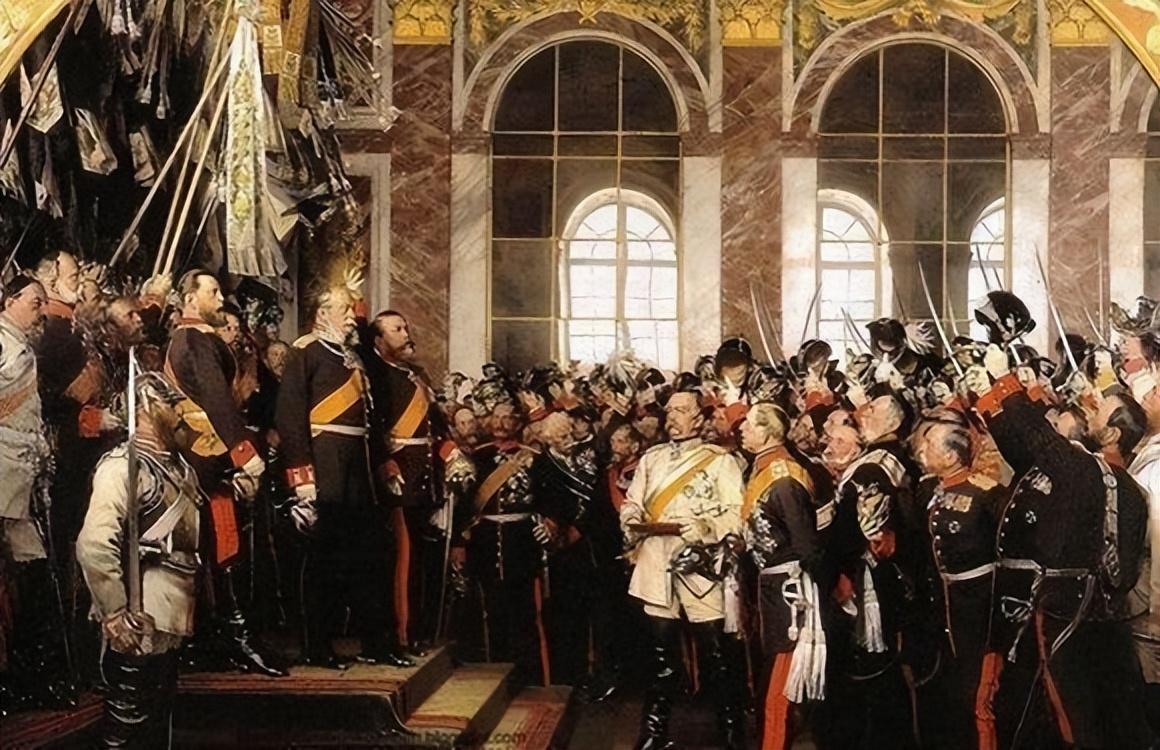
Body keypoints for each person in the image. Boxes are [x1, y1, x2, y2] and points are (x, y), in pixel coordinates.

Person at [967, 344, 1154, 749]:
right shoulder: (1099, 476)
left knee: (1071, 723)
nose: (1090, 409)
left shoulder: (1090, 471)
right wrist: (991, 398)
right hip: (1078, 616)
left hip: (1070, 617)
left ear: (1113, 434)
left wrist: (1005, 381)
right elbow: (1024, 450)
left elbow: (1040, 443)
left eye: (1100, 411)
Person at [275, 287, 408, 668]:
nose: (352, 317)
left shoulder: (354, 358)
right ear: (322, 313)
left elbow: (369, 421)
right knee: (323, 563)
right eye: (344, 310)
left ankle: (376, 643)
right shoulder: (306, 352)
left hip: (358, 471)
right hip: (325, 466)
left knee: (368, 558)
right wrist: (302, 479)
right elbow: (289, 418)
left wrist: (381, 464)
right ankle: (317, 646)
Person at [163, 269, 282, 676]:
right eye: (212, 292)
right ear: (190, 299)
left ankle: (225, 637)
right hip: (207, 454)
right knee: (223, 543)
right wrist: (244, 453)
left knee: (219, 544)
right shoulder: (194, 338)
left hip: (209, 452)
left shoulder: (194, 337)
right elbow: (216, 399)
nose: (219, 298)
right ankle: (236, 637)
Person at [76, 372, 201, 748]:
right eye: (170, 405)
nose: (179, 413)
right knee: (127, 721)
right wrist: (114, 611)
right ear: (146, 409)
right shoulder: (122, 467)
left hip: (171, 611)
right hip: (137, 612)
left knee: (158, 716)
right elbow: (94, 545)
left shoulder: (178, 466)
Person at [620, 384, 747, 750]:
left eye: (681, 410)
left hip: (701, 568)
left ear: (699, 417)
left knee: (717, 658)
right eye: (669, 411)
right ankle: (654, 731)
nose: (672, 418)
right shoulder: (652, 458)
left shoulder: (721, 461)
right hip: (655, 564)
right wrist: (630, 518)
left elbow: (737, 516)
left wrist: (706, 528)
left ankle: (731, 732)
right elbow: (632, 502)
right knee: (660, 659)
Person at [0, 276, 74, 709]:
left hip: (22, 477)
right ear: (10, 299)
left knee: (33, 575)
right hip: (3, 476)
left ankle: (30, 673)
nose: (41, 310)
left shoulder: (21, 345)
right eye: (35, 301)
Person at [912, 416, 1006, 750]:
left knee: (980, 687)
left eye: (931, 444)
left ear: (952, 455)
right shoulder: (930, 490)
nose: (922, 450)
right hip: (945, 599)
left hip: (979, 602)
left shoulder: (987, 492)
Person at [738, 401, 825, 750]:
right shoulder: (761, 468)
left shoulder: (784, 478)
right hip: (768, 587)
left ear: (768, 432)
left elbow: (806, 545)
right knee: (769, 678)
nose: (741, 429)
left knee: (780, 686)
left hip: (788, 593)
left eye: (749, 424)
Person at [364, 310, 445, 656]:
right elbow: (372, 427)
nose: (405, 333)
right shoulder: (375, 375)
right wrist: (385, 463)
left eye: (406, 327)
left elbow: (436, 425)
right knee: (404, 558)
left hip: (425, 478)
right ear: (379, 340)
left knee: (422, 559)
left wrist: (452, 454)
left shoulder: (416, 374)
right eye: (397, 329)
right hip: (399, 477)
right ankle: (402, 632)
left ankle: (418, 629)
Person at [463, 379, 547, 686]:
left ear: (518, 422)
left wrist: (550, 525)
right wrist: (459, 542)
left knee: (524, 613)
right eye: (495, 417)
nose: (500, 423)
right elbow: (464, 505)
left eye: (507, 418)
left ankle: (529, 677)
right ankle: (494, 676)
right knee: (491, 611)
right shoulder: (477, 457)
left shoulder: (533, 458)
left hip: (521, 543)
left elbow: (548, 499)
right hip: (485, 543)